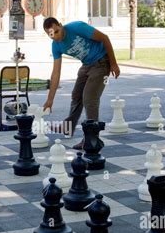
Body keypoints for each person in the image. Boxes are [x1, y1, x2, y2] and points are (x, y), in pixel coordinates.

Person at [42, 17, 120, 149]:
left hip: (102, 62)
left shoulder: (76, 27)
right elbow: (56, 73)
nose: (55, 36)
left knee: (89, 98)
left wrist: (113, 64)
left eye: (56, 31)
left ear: (60, 26)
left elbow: (105, 38)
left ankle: (92, 138)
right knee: (76, 95)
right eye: (51, 34)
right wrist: (50, 100)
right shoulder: (56, 46)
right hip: (87, 64)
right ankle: (68, 127)